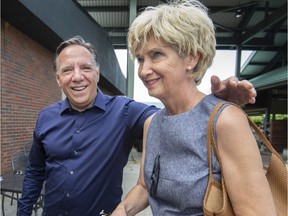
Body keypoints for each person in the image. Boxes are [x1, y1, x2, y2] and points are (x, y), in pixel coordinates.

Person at [18, 34, 256, 216]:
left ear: (98, 74)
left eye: (86, 68)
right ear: (58, 78)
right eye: (67, 70)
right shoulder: (46, 118)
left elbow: (178, 113)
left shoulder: (125, 111)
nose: (77, 76)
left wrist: (213, 103)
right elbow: (35, 171)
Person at [111, 0, 276, 215]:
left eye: (156, 55)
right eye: (141, 59)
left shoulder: (225, 120)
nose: (143, 70)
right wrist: (121, 210)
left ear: (192, 57)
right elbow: (145, 186)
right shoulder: (152, 124)